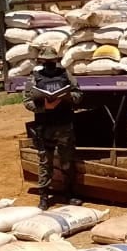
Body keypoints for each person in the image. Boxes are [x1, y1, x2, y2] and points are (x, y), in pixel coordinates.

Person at [23, 49, 82, 210]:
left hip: (64, 125)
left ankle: (69, 194)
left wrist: (67, 97)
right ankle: (43, 196)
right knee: (45, 162)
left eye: (52, 61)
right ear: (41, 62)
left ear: (56, 60)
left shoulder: (65, 75)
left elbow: (78, 95)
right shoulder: (35, 78)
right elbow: (27, 101)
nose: (49, 64)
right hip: (44, 126)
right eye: (46, 61)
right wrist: (44, 106)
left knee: (67, 162)